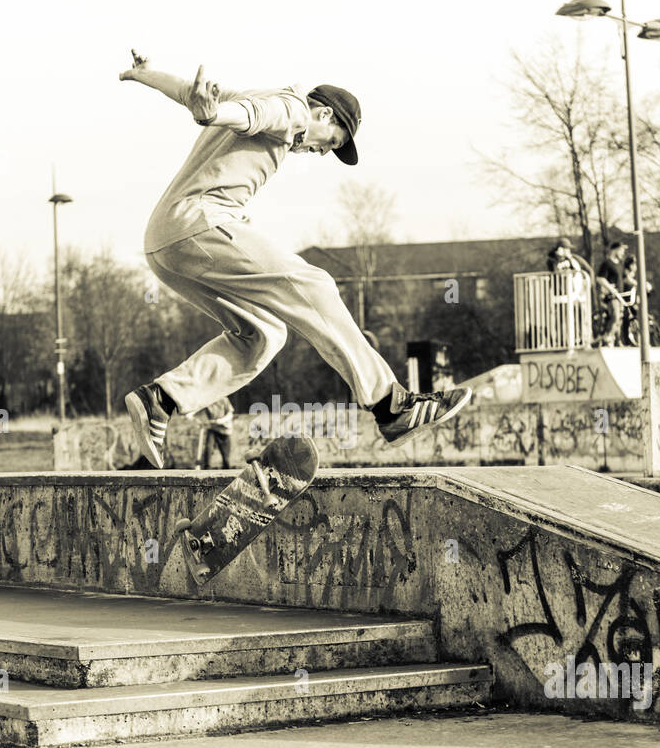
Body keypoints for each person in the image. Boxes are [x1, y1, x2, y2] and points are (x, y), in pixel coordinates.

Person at [116, 51, 469, 468]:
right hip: (198, 225)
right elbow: (248, 114)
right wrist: (210, 116)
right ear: (324, 115)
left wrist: (146, 76)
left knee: (263, 334)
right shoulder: (295, 109)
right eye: (331, 142)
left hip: (167, 244)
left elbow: (195, 95)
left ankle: (161, 399)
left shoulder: (266, 100)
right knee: (314, 285)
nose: (321, 152)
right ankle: (390, 405)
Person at [595, 241, 628, 346]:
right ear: (615, 250)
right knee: (615, 315)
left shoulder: (620, 265)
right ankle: (607, 337)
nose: (623, 252)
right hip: (611, 296)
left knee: (620, 319)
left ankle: (616, 340)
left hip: (620, 296)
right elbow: (600, 278)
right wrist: (610, 288)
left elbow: (625, 278)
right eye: (621, 250)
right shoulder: (607, 263)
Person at [196, 397, 234, 469]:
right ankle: (206, 470)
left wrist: (219, 421)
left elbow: (230, 414)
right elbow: (198, 411)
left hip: (224, 430)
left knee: (226, 458)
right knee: (208, 449)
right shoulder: (207, 401)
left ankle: (226, 472)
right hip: (212, 429)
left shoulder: (223, 399)